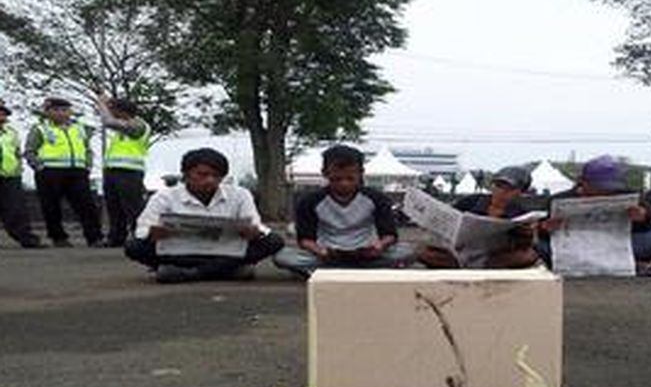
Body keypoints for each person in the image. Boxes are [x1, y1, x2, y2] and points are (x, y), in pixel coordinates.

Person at [125, 148, 284, 283]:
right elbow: (142, 231)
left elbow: (258, 228)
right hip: (181, 252)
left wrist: (253, 232)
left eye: (217, 176)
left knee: (274, 241)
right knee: (133, 246)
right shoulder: (164, 197)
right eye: (202, 174)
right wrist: (155, 232)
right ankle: (227, 271)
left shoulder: (240, 195)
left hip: (225, 251)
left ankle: (189, 274)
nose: (210, 180)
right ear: (186, 175)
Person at [273, 145, 415, 277]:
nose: (344, 183)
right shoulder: (310, 201)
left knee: (408, 251)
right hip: (326, 252)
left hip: (366, 252)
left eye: (350, 178)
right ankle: (362, 269)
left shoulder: (377, 199)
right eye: (337, 179)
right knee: (282, 257)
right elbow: (305, 239)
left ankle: (325, 272)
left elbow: (389, 235)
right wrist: (320, 251)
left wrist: (379, 246)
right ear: (325, 174)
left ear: (361, 174)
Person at [536, 155, 651, 275]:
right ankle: (635, 263)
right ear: (583, 182)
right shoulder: (559, 199)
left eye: (609, 188)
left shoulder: (627, 196)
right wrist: (545, 227)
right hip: (575, 247)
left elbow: (648, 227)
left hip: (616, 244)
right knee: (537, 244)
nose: (604, 191)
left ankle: (628, 261)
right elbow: (543, 232)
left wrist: (643, 218)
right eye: (598, 187)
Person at [417, 166, 539, 268]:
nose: (502, 192)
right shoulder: (472, 201)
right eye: (498, 186)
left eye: (510, 189)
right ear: (492, 186)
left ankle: (477, 265)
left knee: (529, 255)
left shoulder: (520, 213)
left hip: (493, 257)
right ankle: (464, 264)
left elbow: (523, 246)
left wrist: (527, 234)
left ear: (520, 192)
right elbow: (448, 216)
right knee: (422, 251)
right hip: (458, 253)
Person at [24, 97, 103, 247]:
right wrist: (39, 166)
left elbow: (87, 149)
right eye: (56, 110)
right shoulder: (40, 129)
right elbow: (30, 151)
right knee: (51, 207)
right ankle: (59, 238)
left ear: (70, 112)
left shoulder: (79, 128)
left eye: (65, 110)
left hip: (77, 172)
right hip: (50, 172)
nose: (61, 113)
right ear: (47, 112)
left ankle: (94, 237)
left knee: (86, 205)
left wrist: (87, 165)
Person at [96, 94, 150, 247]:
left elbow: (108, 122)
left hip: (129, 171)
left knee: (133, 206)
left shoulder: (138, 125)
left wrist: (102, 105)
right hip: (113, 170)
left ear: (123, 112)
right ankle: (116, 237)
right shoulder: (122, 129)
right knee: (114, 207)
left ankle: (141, 236)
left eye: (114, 110)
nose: (111, 112)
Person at [0, 101, 44, 248]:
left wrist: (18, 168)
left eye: (3, 113)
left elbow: (16, 152)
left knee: (16, 209)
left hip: (10, 176)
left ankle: (27, 239)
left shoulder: (11, 132)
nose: (2, 115)